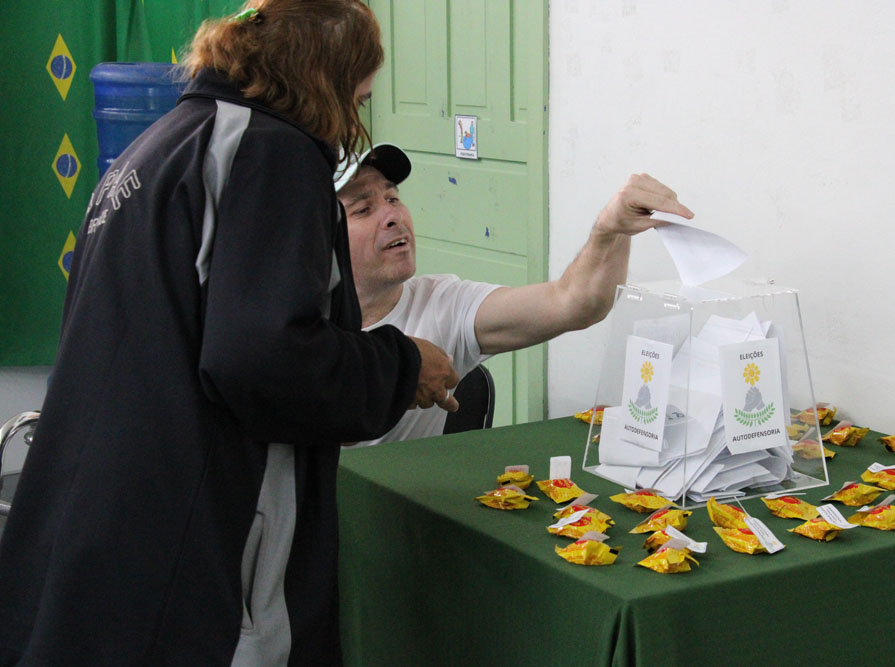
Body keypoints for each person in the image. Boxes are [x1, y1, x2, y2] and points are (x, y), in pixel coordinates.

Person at [0, 2, 458, 665]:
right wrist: (401, 364)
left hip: (96, 529)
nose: (354, 119)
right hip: (199, 554)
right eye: (357, 98)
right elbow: (264, 360)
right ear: (325, 75)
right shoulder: (273, 151)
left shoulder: (158, 146)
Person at [334, 143, 694, 447]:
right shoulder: (303, 333)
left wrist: (610, 230)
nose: (392, 215)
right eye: (363, 209)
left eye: (393, 197)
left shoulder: (441, 302)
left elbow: (574, 302)